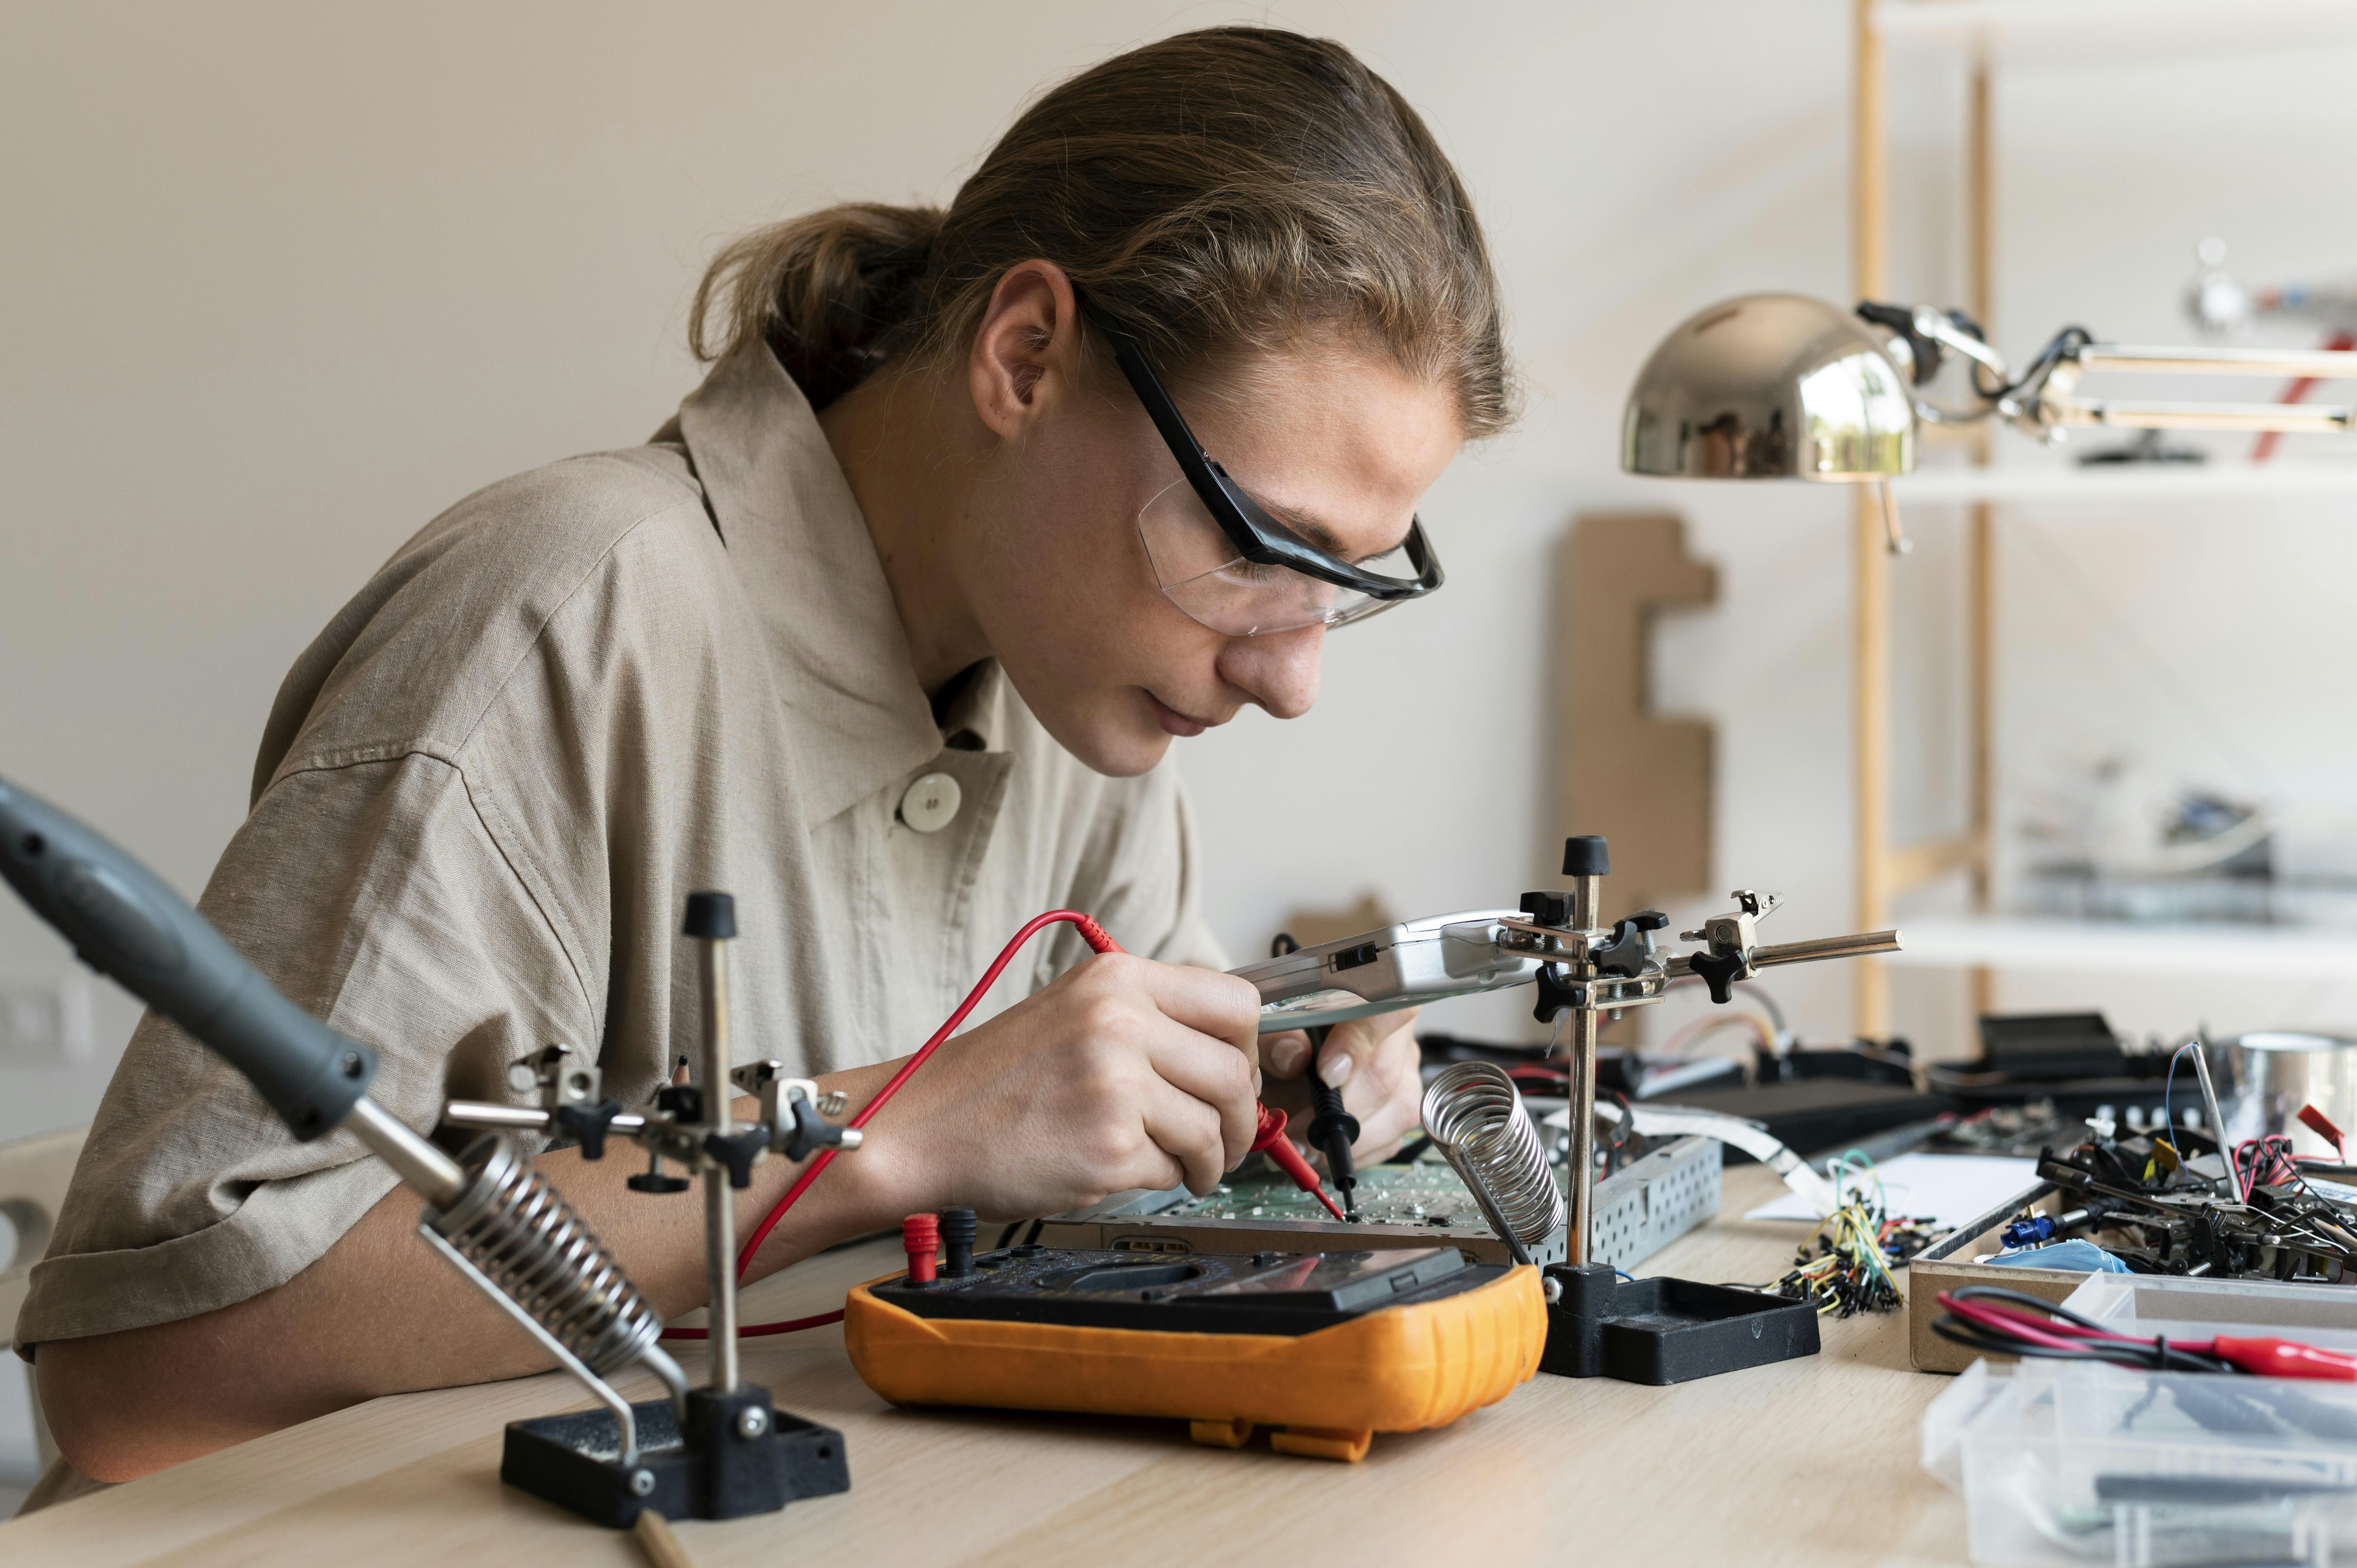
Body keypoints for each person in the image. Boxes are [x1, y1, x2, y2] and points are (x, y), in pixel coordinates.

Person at [16, 24, 1514, 1495]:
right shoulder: (558, 616)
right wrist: (893, 1132)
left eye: (1350, 586)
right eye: (1261, 547)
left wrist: (1276, 1078)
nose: (1291, 675)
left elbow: (1119, 1146)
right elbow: (142, 1368)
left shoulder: (1084, 700)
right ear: (1025, 354)